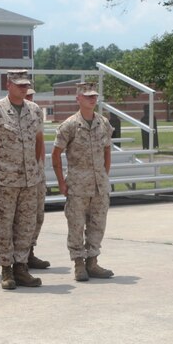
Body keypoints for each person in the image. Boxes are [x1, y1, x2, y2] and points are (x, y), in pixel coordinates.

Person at [0, 69, 46, 290]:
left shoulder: (34, 110)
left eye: (26, 85)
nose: (24, 88)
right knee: (5, 226)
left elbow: (38, 139)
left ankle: (21, 267)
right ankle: (7, 269)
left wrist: (34, 165)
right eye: (19, 85)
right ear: (9, 85)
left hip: (29, 180)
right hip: (4, 179)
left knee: (26, 225)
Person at [51, 82, 114, 282]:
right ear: (78, 99)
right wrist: (61, 182)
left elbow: (107, 150)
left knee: (98, 224)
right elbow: (56, 154)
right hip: (77, 185)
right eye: (87, 96)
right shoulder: (69, 125)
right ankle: (79, 264)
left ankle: (92, 262)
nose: (92, 99)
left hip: (99, 186)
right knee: (76, 225)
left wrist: (104, 174)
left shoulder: (103, 123)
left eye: (94, 96)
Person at [24, 86, 51, 271]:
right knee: (19, 218)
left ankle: (29, 252)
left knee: (37, 215)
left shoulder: (35, 114)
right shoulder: (2, 113)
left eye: (32, 94)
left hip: (36, 173)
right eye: (27, 94)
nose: (30, 97)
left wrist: (40, 167)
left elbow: (40, 141)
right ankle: (16, 257)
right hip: (16, 175)